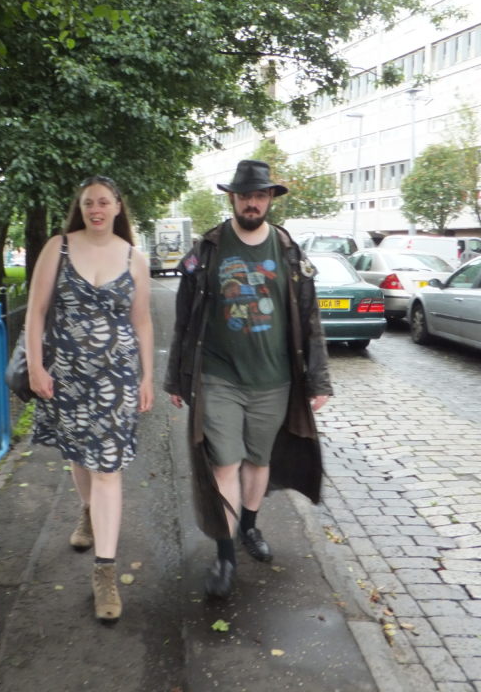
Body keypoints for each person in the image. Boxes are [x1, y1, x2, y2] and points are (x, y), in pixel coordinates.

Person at [164, 159, 333, 599]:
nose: (252, 203)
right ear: (233, 198)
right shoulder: (209, 248)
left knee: (259, 461)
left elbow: (310, 319)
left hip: (274, 379)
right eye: (245, 196)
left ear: (270, 199)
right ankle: (225, 553)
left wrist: (318, 381)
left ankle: (250, 527)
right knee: (224, 462)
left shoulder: (288, 250)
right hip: (219, 376)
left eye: (259, 196)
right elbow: (184, 320)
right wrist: (176, 379)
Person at [25, 175, 154, 623]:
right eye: (87, 203)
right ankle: (86, 512)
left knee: (108, 468)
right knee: (81, 457)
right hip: (67, 376)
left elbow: (142, 323)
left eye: (103, 202)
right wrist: (38, 367)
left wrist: (147, 377)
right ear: (80, 208)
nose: (95, 209)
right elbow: (36, 311)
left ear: (118, 207)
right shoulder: (57, 248)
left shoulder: (135, 258)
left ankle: (105, 572)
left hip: (116, 378)